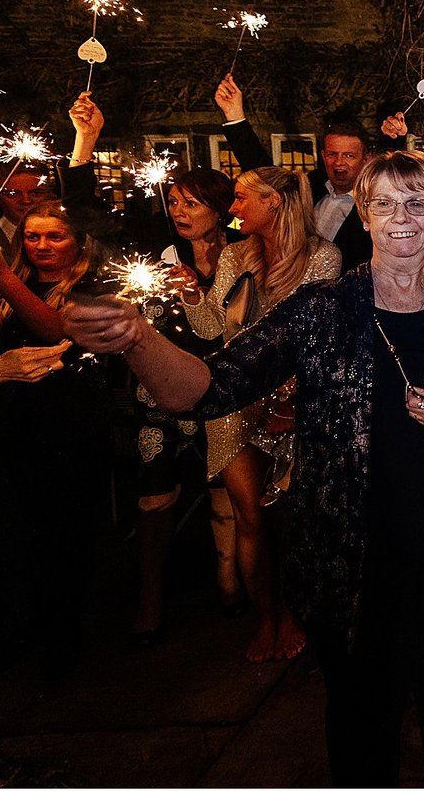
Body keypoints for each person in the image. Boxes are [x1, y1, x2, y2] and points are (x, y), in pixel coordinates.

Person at [63, 150, 424, 788]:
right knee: (360, 726)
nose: (402, 218)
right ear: (363, 216)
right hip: (350, 562)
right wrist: (139, 340)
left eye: (418, 203)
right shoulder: (322, 308)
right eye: (385, 204)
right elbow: (208, 388)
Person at [178, 166, 341, 663]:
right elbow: (210, 328)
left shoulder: (323, 258)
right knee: (250, 518)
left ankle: (298, 611)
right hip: (235, 403)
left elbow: (318, 337)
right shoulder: (233, 256)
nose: (231, 209)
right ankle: (267, 618)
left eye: (242, 199)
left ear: (274, 203)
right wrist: (190, 290)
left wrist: (292, 403)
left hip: (294, 405)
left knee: (294, 518)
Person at [0, 200, 116, 678]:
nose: (42, 247)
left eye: (55, 237)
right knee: (19, 534)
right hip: (15, 427)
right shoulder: (9, 281)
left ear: (79, 242)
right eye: (32, 237)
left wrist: (1, 275)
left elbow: (58, 330)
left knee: (67, 538)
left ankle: (64, 643)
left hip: (72, 428)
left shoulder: (93, 287)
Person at [158, 168, 248, 619]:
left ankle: (230, 577)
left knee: (225, 482)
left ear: (219, 209)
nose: (178, 211)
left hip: (223, 384)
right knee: (158, 486)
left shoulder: (241, 253)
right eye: (173, 202)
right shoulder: (164, 252)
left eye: (190, 203)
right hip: (168, 382)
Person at [213, 73, 389, 271]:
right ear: (323, 156)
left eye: (349, 156)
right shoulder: (310, 185)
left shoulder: (375, 203)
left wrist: (394, 140)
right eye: (332, 154)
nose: (339, 163)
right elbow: (262, 174)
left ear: (365, 159)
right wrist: (235, 115)